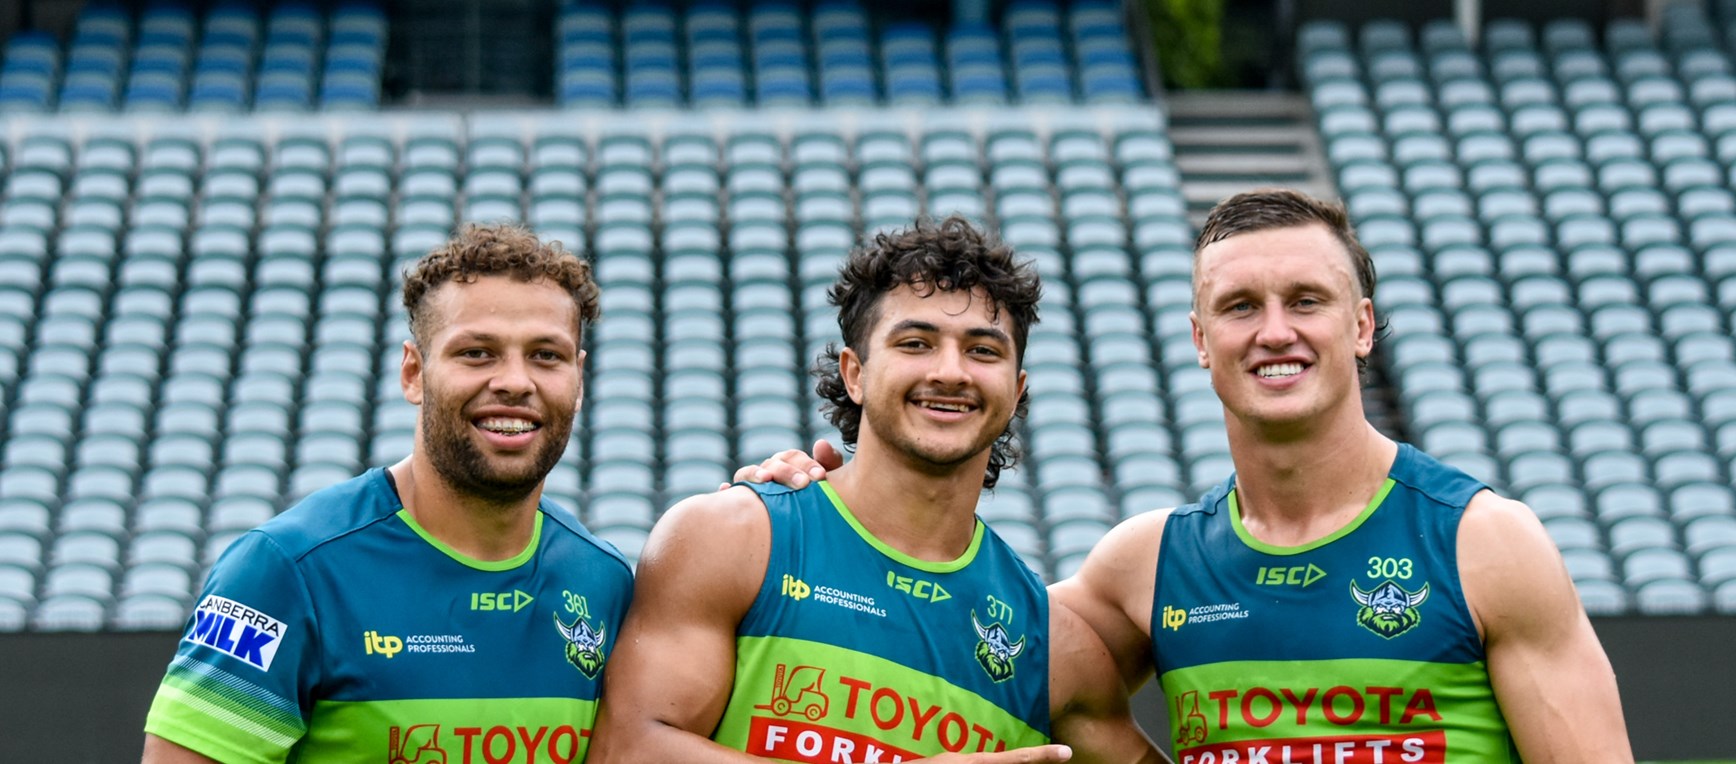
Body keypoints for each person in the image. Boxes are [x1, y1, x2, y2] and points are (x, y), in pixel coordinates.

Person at [748, 190, 1635, 761]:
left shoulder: (1483, 543)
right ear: (1201, 340)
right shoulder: (1146, 568)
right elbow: (946, 618)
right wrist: (818, 511)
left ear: (1361, 326)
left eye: (1307, 301)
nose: (1275, 331)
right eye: (1240, 307)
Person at [590, 217, 1164, 763]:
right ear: (855, 374)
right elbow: (629, 750)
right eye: (916, 343)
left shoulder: (1055, 648)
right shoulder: (730, 539)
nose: (951, 371)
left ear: (1016, 392)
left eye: (982, 350)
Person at [141, 224, 634, 763]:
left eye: (545, 355)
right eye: (477, 353)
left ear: (578, 380)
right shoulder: (286, 571)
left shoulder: (604, 581)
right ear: (414, 372)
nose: (515, 381)